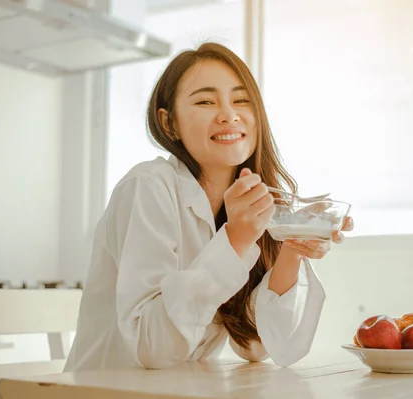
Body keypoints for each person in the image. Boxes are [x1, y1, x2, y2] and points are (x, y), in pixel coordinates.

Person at [63, 42, 354, 371]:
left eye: (241, 100)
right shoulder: (148, 186)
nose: (229, 114)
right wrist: (236, 239)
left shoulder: (248, 204)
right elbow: (152, 349)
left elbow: (256, 345)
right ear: (169, 122)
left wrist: (291, 250)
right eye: (205, 101)